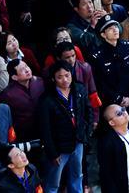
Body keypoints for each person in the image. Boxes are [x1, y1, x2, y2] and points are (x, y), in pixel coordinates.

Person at [37, 59, 93, 193]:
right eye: (59, 77)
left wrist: (87, 132)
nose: (65, 80)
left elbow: (88, 111)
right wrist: (52, 152)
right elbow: (45, 128)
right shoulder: (47, 99)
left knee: (77, 176)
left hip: (78, 141)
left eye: (67, 75)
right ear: (53, 79)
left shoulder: (79, 88)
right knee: (54, 182)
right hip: (59, 147)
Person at [97, 104, 129, 193]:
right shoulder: (107, 143)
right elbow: (106, 173)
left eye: (123, 109)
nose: (124, 112)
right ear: (112, 123)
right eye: (119, 113)